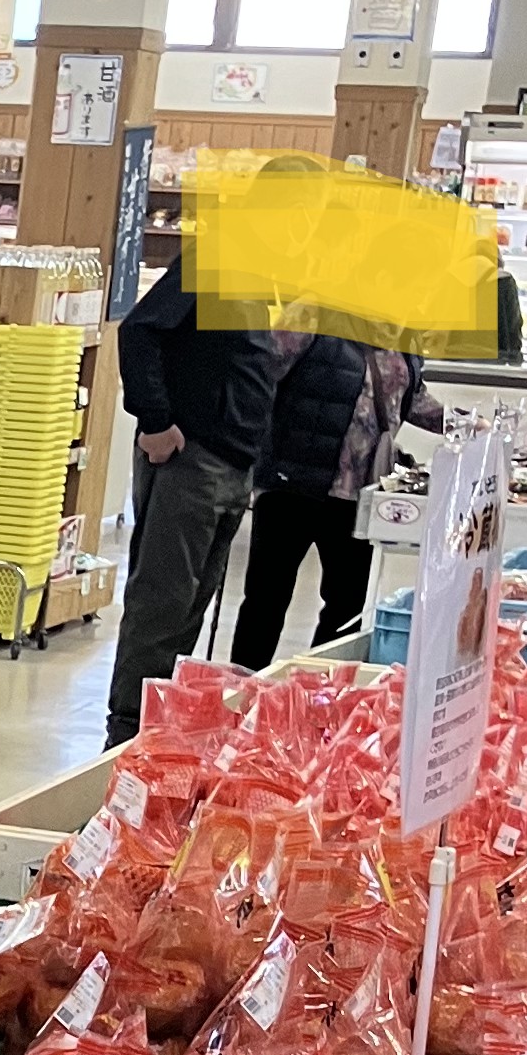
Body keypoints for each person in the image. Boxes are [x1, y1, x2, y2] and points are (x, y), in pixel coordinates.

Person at [103, 257, 284, 743]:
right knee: (163, 603)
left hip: (232, 463)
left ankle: (159, 729)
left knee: (190, 609)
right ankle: (126, 736)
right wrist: (156, 420)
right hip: (193, 460)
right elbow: (139, 331)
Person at [228, 337, 429, 667]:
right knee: (266, 598)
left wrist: (466, 422)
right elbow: (261, 370)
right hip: (291, 484)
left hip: (357, 497)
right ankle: (244, 683)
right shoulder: (314, 323)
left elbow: (412, 400)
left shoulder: (403, 342)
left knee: (347, 605)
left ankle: (317, 684)